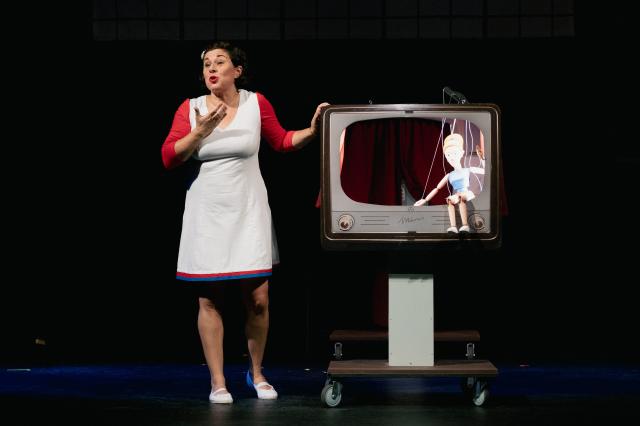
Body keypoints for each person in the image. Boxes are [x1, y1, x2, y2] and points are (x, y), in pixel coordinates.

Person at [161, 41, 328, 404]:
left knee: (258, 299)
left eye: (219, 61)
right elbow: (168, 157)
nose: (211, 68)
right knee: (210, 299)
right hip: (207, 214)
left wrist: (314, 130)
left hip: (249, 211)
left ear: (237, 71)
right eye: (206, 63)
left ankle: (257, 373)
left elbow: (282, 141)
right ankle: (217, 381)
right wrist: (199, 132)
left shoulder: (256, 103)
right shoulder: (191, 108)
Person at [413, 132, 485, 234]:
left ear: (461, 153)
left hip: (467, 193)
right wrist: (425, 200)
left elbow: (484, 171)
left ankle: (465, 225)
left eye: (454, 153)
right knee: (450, 200)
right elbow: (437, 188)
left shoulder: (467, 170)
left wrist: (482, 159)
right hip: (458, 195)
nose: (451, 157)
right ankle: (453, 227)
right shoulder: (449, 175)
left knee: (460, 197)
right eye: (448, 155)